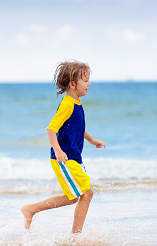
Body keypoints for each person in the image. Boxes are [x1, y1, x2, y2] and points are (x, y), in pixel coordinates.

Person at [21, 60, 105, 234]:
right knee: (86, 194)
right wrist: (58, 151)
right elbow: (51, 129)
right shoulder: (67, 104)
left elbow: (76, 127)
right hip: (64, 159)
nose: (89, 84)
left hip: (73, 158)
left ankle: (32, 209)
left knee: (74, 197)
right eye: (86, 80)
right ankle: (75, 237)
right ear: (73, 84)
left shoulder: (76, 103)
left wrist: (91, 140)